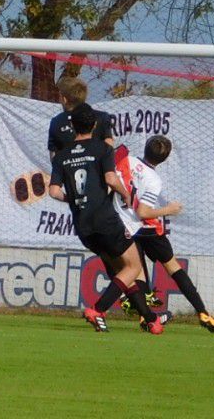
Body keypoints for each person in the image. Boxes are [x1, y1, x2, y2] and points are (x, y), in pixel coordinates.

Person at [48, 103, 168, 334]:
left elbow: (53, 191)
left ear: (72, 126)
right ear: (94, 124)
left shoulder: (61, 156)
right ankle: (98, 309)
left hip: (83, 226)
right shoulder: (102, 149)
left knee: (123, 271)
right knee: (133, 266)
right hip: (105, 220)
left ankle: (150, 319)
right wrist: (126, 195)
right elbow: (111, 179)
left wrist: (74, 199)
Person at [113, 136, 214, 332]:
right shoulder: (154, 180)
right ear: (165, 158)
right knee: (173, 268)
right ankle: (202, 312)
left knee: (136, 270)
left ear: (146, 147)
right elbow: (143, 212)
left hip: (124, 226)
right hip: (146, 227)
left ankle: (145, 317)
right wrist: (168, 210)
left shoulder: (127, 161)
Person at [47, 77, 113, 162]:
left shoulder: (56, 122)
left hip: (68, 173)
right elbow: (109, 145)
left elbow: (54, 156)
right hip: (98, 171)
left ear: (64, 99)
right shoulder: (102, 116)